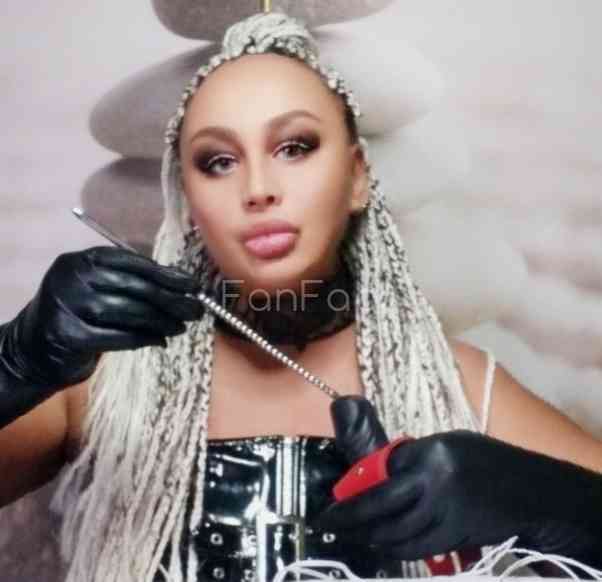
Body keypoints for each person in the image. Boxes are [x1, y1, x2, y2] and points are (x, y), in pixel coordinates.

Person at [1, 10, 601, 582]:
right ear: (186, 200)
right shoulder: (104, 383)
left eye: (295, 147)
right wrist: (16, 362)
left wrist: (546, 500)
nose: (259, 188)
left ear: (358, 175)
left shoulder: (455, 383)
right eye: (218, 161)